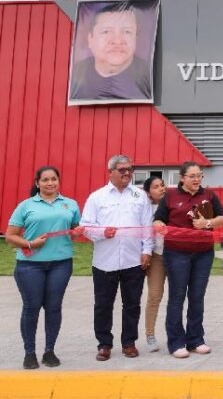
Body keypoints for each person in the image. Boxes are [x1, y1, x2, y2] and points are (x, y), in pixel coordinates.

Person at [5, 166, 80, 369]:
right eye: (45, 180)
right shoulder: (26, 206)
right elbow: (10, 236)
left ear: (58, 181)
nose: (50, 183)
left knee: (54, 308)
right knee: (31, 308)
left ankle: (49, 351)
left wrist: (76, 233)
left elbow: (74, 230)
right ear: (37, 183)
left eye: (53, 179)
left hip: (61, 264)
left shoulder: (70, 204)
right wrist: (30, 244)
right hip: (30, 266)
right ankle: (29, 353)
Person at [79, 155, 154, 361]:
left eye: (130, 169)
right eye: (122, 170)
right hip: (105, 261)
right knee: (103, 305)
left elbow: (147, 226)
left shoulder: (140, 196)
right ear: (110, 171)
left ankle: (129, 343)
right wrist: (102, 232)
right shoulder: (97, 197)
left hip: (133, 260)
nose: (127, 173)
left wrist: (147, 250)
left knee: (132, 304)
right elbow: (85, 226)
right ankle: (104, 344)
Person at [153, 162, 223, 358]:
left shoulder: (209, 195)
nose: (197, 179)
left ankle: (196, 340)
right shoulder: (170, 196)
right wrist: (160, 226)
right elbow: (158, 219)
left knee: (197, 297)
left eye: (199, 175)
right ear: (182, 178)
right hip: (177, 253)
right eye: (192, 176)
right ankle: (176, 342)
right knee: (177, 297)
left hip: (203, 253)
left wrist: (207, 223)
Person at [69, 2, 152, 102]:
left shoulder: (149, 77)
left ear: (136, 39)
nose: (117, 41)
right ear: (90, 39)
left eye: (127, 32)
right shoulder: (75, 75)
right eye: (106, 31)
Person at [143, 175, 167, 352]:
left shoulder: (172, 205)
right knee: (154, 295)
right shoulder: (144, 209)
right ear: (148, 192)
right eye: (156, 186)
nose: (161, 188)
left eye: (162, 185)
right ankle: (150, 334)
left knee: (178, 297)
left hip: (175, 255)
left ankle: (177, 333)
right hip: (156, 256)